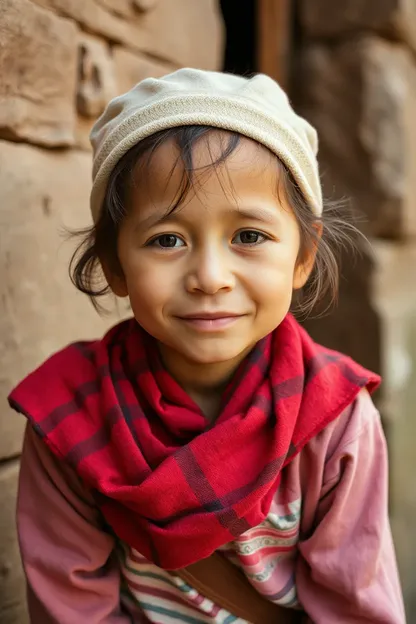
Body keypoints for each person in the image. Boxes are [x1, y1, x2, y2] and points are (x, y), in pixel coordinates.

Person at [8, 69, 405, 623]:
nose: (211, 277)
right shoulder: (71, 418)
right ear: (115, 264)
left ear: (303, 256)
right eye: (167, 239)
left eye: (249, 236)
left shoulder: (334, 420)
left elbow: (353, 606)